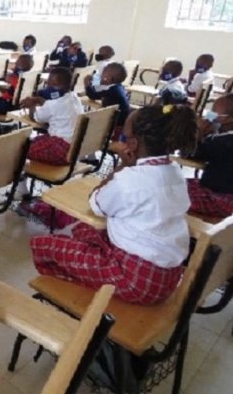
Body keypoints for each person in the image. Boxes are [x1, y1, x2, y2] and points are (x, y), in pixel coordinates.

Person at [30, 105, 198, 305]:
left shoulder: (129, 180)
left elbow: (96, 203)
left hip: (135, 280)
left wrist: (122, 166)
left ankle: (79, 301)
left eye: (125, 137)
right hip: (167, 276)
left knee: (42, 245)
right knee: (82, 229)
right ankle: (90, 279)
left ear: (133, 144)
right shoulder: (176, 173)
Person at [21, 67, 84, 165]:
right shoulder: (75, 98)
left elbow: (35, 117)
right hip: (75, 148)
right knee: (32, 141)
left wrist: (31, 105)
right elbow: (53, 106)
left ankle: (20, 177)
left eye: (52, 85)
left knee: (21, 149)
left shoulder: (53, 105)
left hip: (61, 151)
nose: (48, 87)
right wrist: (37, 100)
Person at [186, 94, 233, 219]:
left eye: (213, 112)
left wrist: (199, 133)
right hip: (223, 194)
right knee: (176, 184)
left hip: (220, 200)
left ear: (228, 119)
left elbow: (190, 154)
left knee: (167, 192)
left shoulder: (223, 142)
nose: (209, 115)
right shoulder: (223, 138)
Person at [84, 62, 130, 138]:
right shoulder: (119, 87)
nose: (101, 75)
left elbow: (93, 95)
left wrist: (86, 84)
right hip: (121, 121)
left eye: (104, 73)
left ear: (110, 78)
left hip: (115, 125)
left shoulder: (112, 91)